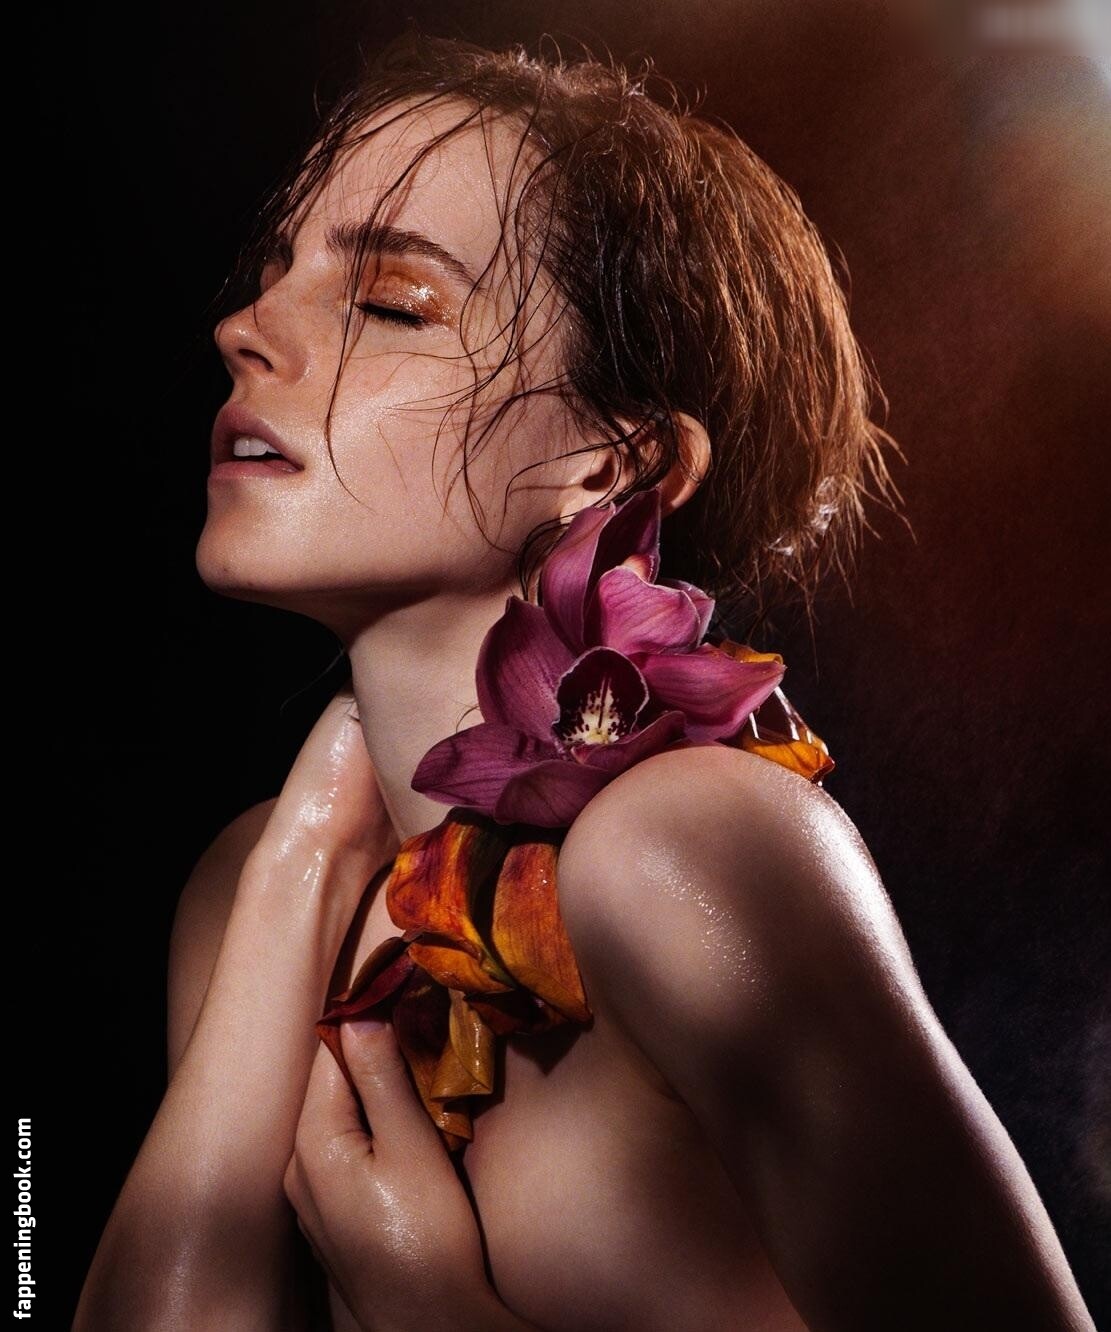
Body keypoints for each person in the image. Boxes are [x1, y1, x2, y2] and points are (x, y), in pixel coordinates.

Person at [75, 31, 1095, 1332]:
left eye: (392, 304)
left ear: (616, 466)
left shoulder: (689, 850)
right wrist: (295, 870)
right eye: (274, 273)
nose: (243, 331)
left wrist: (438, 1312)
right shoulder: (254, 889)